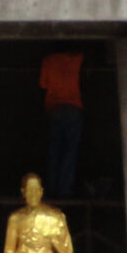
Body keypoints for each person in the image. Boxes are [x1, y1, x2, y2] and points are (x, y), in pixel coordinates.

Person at [38, 52, 84, 202]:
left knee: (54, 151)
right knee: (70, 152)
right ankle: (65, 191)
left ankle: (52, 190)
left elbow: (43, 84)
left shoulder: (48, 60)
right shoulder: (77, 58)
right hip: (73, 108)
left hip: (55, 109)